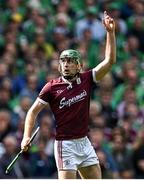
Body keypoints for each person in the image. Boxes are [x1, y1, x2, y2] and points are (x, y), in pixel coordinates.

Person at [21, 11, 116, 179]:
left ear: (79, 66)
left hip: (84, 142)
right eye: (63, 61)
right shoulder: (51, 87)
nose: (66, 64)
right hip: (65, 145)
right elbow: (32, 111)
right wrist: (26, 136)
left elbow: (109, 62)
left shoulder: (87, 79)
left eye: (71, 61)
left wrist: (110, 33)